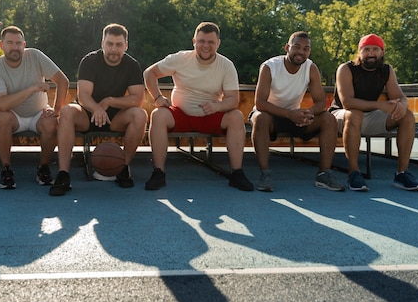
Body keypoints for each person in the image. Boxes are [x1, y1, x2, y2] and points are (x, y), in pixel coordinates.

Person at [143, 22, 254, 191]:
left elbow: (232, 100)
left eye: (210, 42)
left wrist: (217, 107)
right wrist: (157, 97)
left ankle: (237, 173)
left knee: (236, 117)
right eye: (201, 41)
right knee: (158, 115)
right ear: (194, 41)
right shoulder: (180, 58)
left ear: (218, 43)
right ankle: (158, 173)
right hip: (180, 114)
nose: (205, 46)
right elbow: (149, 73)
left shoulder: (226, 65)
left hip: (210, 115)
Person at [49, 23, 147, 196]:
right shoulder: (90, 61)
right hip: (87, 113)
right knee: (66, 112)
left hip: (116, 117)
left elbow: (137, 99)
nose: (113, 49)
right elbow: (84, 95)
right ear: (102, 43)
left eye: (118, 45)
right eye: (109, 44)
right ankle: (63, 174)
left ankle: (123, 167)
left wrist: (109, 101)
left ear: (126, 45)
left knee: (140, 114)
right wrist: (97, 109)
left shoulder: (132, 65)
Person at [250, 31, 345, 192]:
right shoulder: (269, 66)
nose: (301, 52)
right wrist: (290, 114)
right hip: (270, 115)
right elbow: (260, 103)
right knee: (260, 118)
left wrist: (308, 113)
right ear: (287, 47)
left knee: (328, 118)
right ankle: (265, 174)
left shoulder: (310, 68)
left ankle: (324, 173)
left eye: (306, 49)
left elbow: (321, 102)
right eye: (297, 47)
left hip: (295, 116)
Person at [330, 33, 418, 192]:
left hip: (369, 116)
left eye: (375, 49)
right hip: (341, 115)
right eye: (366, 49)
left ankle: (401, 173)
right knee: (355, 114)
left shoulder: (387, 70)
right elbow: (347, 102)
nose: (371, 53)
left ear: (382, 52)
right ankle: (354, 173)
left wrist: (402, 105)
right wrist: (380, 105)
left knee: (407, 116)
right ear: (359, 52)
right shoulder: (346, 69)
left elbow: (400, 97)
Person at [0, 26, 69, 189]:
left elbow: (62, 81)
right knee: (1, 119)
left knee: (51, 122)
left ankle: (43, 168)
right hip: (13, 116)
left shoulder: (35, 56)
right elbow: (2, 104)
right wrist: (32, 89)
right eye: (9, 43)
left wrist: (56, 111)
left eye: (18, 43)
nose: (14, 47)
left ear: (24, 45)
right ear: (1, 45)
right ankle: (7, 170)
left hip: (38, 113)